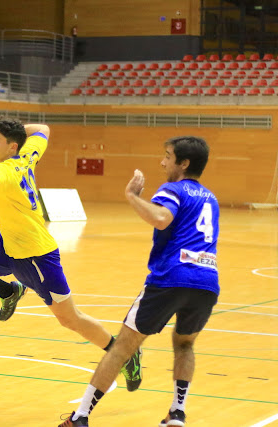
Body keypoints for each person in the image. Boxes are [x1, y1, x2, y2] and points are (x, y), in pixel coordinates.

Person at [0, 118, 142, 391]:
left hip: (36, 254)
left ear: (12, 146)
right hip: (7, 244)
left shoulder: (4, 171)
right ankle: (9, 291)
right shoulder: (27, 153)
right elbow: (44, 129)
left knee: (69, 319)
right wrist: (0, 129)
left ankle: (124, 353)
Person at [59, 136, 219, 427]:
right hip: (207, 281)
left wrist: (132, 196)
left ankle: (80, 416)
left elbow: (161, 218)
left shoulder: (173, 189)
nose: (162, 162)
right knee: (184, 344)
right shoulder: (211, 198)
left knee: (122, 347)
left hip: (171, 277)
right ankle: (177, 412)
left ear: (183, 163)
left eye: (167, 157)